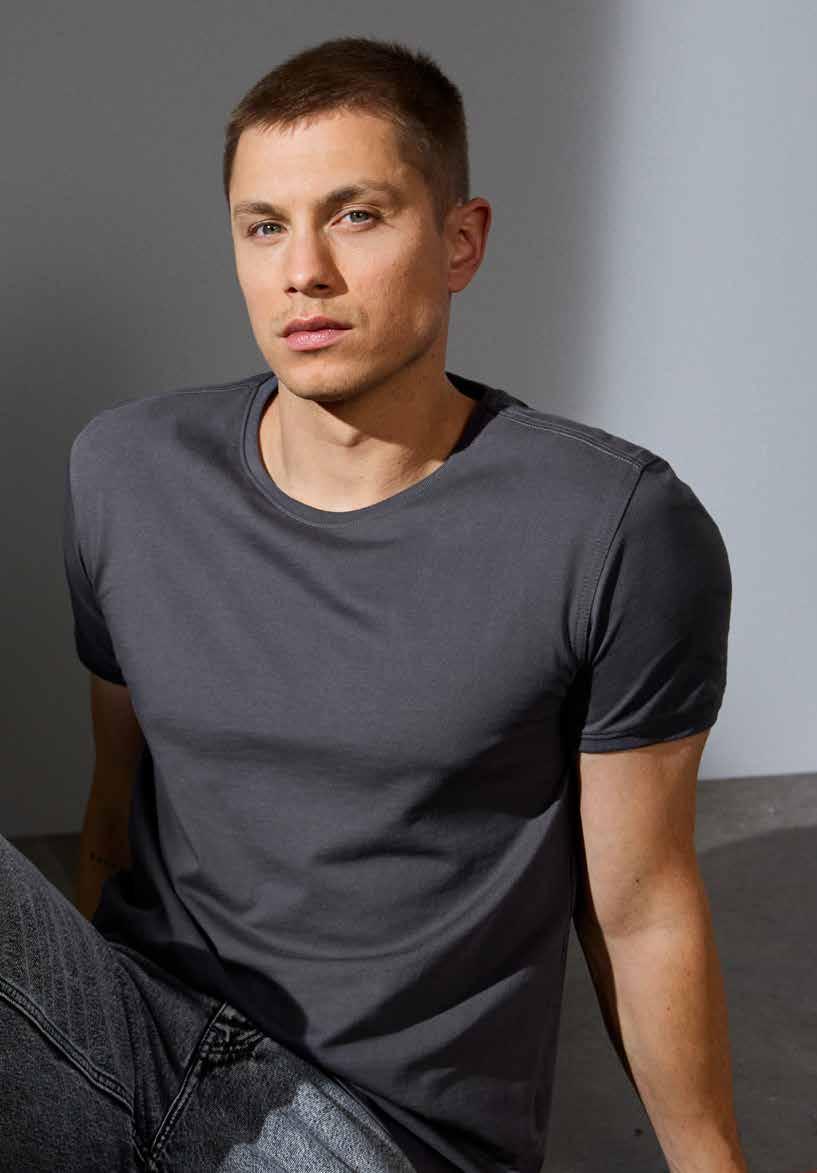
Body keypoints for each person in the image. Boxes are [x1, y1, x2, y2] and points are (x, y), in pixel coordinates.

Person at [1, 34, 749, 1173]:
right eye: (264, 226)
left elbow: (639, 909)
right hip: (141, 1033)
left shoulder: (614, 527)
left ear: (460, 241)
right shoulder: (126, 469)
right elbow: (116, 808)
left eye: (355, 216)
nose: (302, 271)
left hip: (366, 1127)